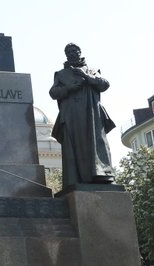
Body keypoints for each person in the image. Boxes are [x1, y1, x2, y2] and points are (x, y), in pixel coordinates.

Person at [49, 43, 116, 188]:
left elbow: (104, 84)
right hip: (72, 116)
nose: (72, 54)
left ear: (80, 52)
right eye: (69, 52)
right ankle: (76, 178)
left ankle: (101, 175)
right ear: (66, 55)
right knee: (74, 146)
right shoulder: (61, 74)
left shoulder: (92, 70)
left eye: (74, 51)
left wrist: (87, 77)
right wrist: (68, 88)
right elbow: (53, 93)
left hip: (92, 115)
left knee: (96, 143)